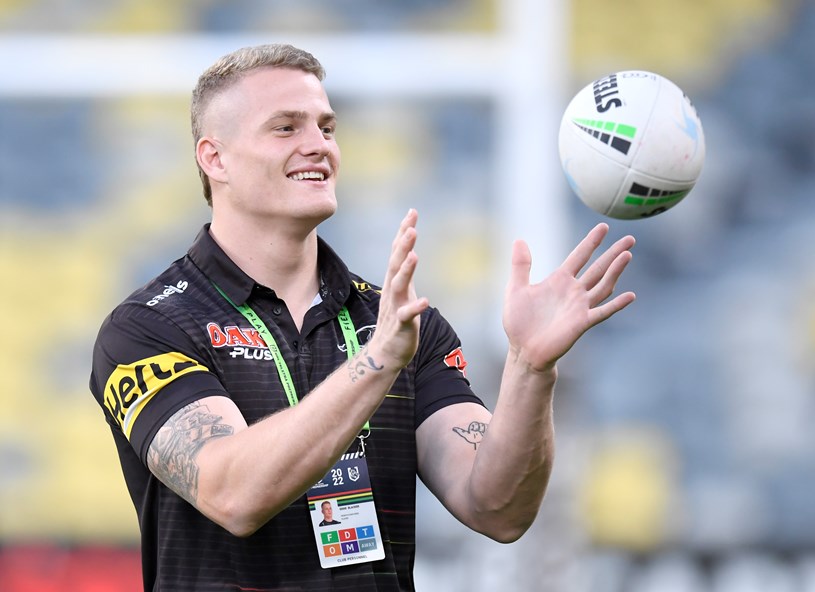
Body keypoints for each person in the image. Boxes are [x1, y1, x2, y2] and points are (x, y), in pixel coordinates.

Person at [89, 43, 636, 592]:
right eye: (286, 128)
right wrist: (376, 363)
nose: (318, 146)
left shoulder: (400, 323)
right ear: (215, 159)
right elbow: (233, 494)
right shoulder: (149, 326)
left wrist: (530, 368)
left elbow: (499, 509)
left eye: (326, 128)